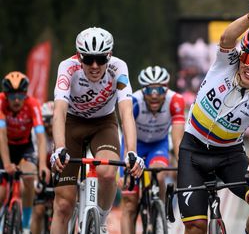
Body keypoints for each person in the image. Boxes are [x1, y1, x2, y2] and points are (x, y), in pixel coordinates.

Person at [177, 2, 249, 234]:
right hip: (193, 150)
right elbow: (227, 37)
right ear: (242, 54)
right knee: (196, 227)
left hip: (229, 155)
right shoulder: (227, 62)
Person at [50, 27, 144, 234]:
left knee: (108, 173)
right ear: (79, 56)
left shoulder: (119, 68)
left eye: (101, 59)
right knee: (63, 205)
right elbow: (59, 112)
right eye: (88, 59)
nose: (94, 66)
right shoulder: (67, 67)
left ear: (109, 56)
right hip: (71, 124)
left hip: (103, 123)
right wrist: (59, 148)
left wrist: (132, 152)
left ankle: (101, 220)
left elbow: (126, 112)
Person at [120, 65, 185, 233]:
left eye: (159, 90)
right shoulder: (134, 101)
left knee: (159, 173)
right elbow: (127, 136)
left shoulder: (176, 100)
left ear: (167, 88)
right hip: (134, 146)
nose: (154, 95)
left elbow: (178, 140)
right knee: (129, 203)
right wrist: (123, 167)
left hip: (158, 145)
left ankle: (159, 207)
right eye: (149, 91)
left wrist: (184, 165)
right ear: (143, 91)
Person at [0, 71, 49, 234]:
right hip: (4, 146)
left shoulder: (33, 104)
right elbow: (1, 135)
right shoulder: (0, 102)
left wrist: (42, 165)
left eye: (20, 96)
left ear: (25, 95)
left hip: (24, 147)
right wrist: (6, 163)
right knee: (1, 193)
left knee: (29, 177)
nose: (16, 100)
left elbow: (41, 138)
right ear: (5, 95)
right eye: (12, 96)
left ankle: (26, 224)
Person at [31, 100, 55, 234]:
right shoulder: (36, 133)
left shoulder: (62, 132)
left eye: (53, 121)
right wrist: (35, 180)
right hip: (41, 171)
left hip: (57, 171)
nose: (51, 127)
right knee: (39, 210)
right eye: (47, 121)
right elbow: (34, 160)